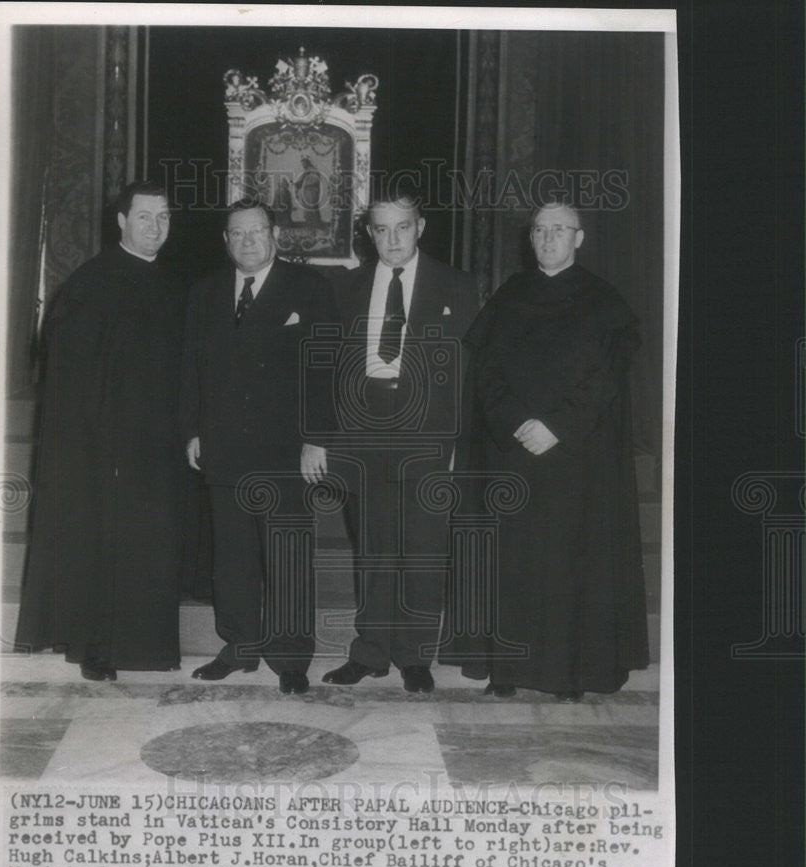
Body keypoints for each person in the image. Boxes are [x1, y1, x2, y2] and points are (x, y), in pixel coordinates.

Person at [453, 201, 649, 701]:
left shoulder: (604, 301)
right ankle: (506, 671)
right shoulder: (509, 296)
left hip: (574, 456)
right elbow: (486, 376)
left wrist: (555, 426)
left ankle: (568, 675)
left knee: (567, 564)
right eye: (540, 230)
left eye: (559, 230)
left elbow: (607, 381)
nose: (548, 238)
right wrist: (518, 423)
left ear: (579, 238)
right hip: (512, 451)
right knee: (510, 562)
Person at [309, 187, 480, 693]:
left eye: (402, 227)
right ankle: (371, 653)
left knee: (423, 545)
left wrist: (458, 449)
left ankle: (415, 656)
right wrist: (322, 437)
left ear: (420, 227)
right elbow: (325, 370)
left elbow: (470, 373)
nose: (392, 239)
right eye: (381, 229)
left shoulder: (457, 286)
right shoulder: (345, 288)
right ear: (368, 233)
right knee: (374, 546)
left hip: (428, 433)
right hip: (363, 430)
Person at [16, 181, 186, 681]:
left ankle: (147, 648)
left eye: (163, 218)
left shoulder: (176, 286)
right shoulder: (91, 282)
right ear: (121, 222)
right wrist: (99, 436)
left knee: (151, 542)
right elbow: (71, 374)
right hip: (104, 445)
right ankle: (96, 646)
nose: (155, 228)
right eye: (144, 218)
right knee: (103, 541)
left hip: (158, 446)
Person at [184, 197, 338, 694]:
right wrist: (192, 429)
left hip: (286, 449)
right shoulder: (205, 291)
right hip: (224, 446)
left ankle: (291, 659)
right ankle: (240, 646)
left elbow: (325, 368)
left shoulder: (309, 287)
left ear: (274, 235)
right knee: (232, 555)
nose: (248, 242)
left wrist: (317, 438)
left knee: (287, 552)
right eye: (237, 234)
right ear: (225, 241)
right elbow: (191, 369)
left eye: (256, 232)